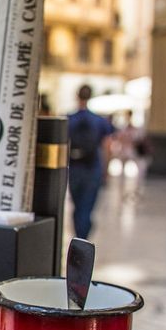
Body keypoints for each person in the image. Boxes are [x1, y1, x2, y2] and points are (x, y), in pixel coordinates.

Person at [67, 85, 115, 239]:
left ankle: (79, 236)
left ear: (77, 96)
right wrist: (106, 170)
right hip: (92, 168)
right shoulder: (100, 121)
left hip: (74, 169)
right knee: (86, 207)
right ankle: (83, 238)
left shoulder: (69, 119)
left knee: (77, 206)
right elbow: (107, 147)